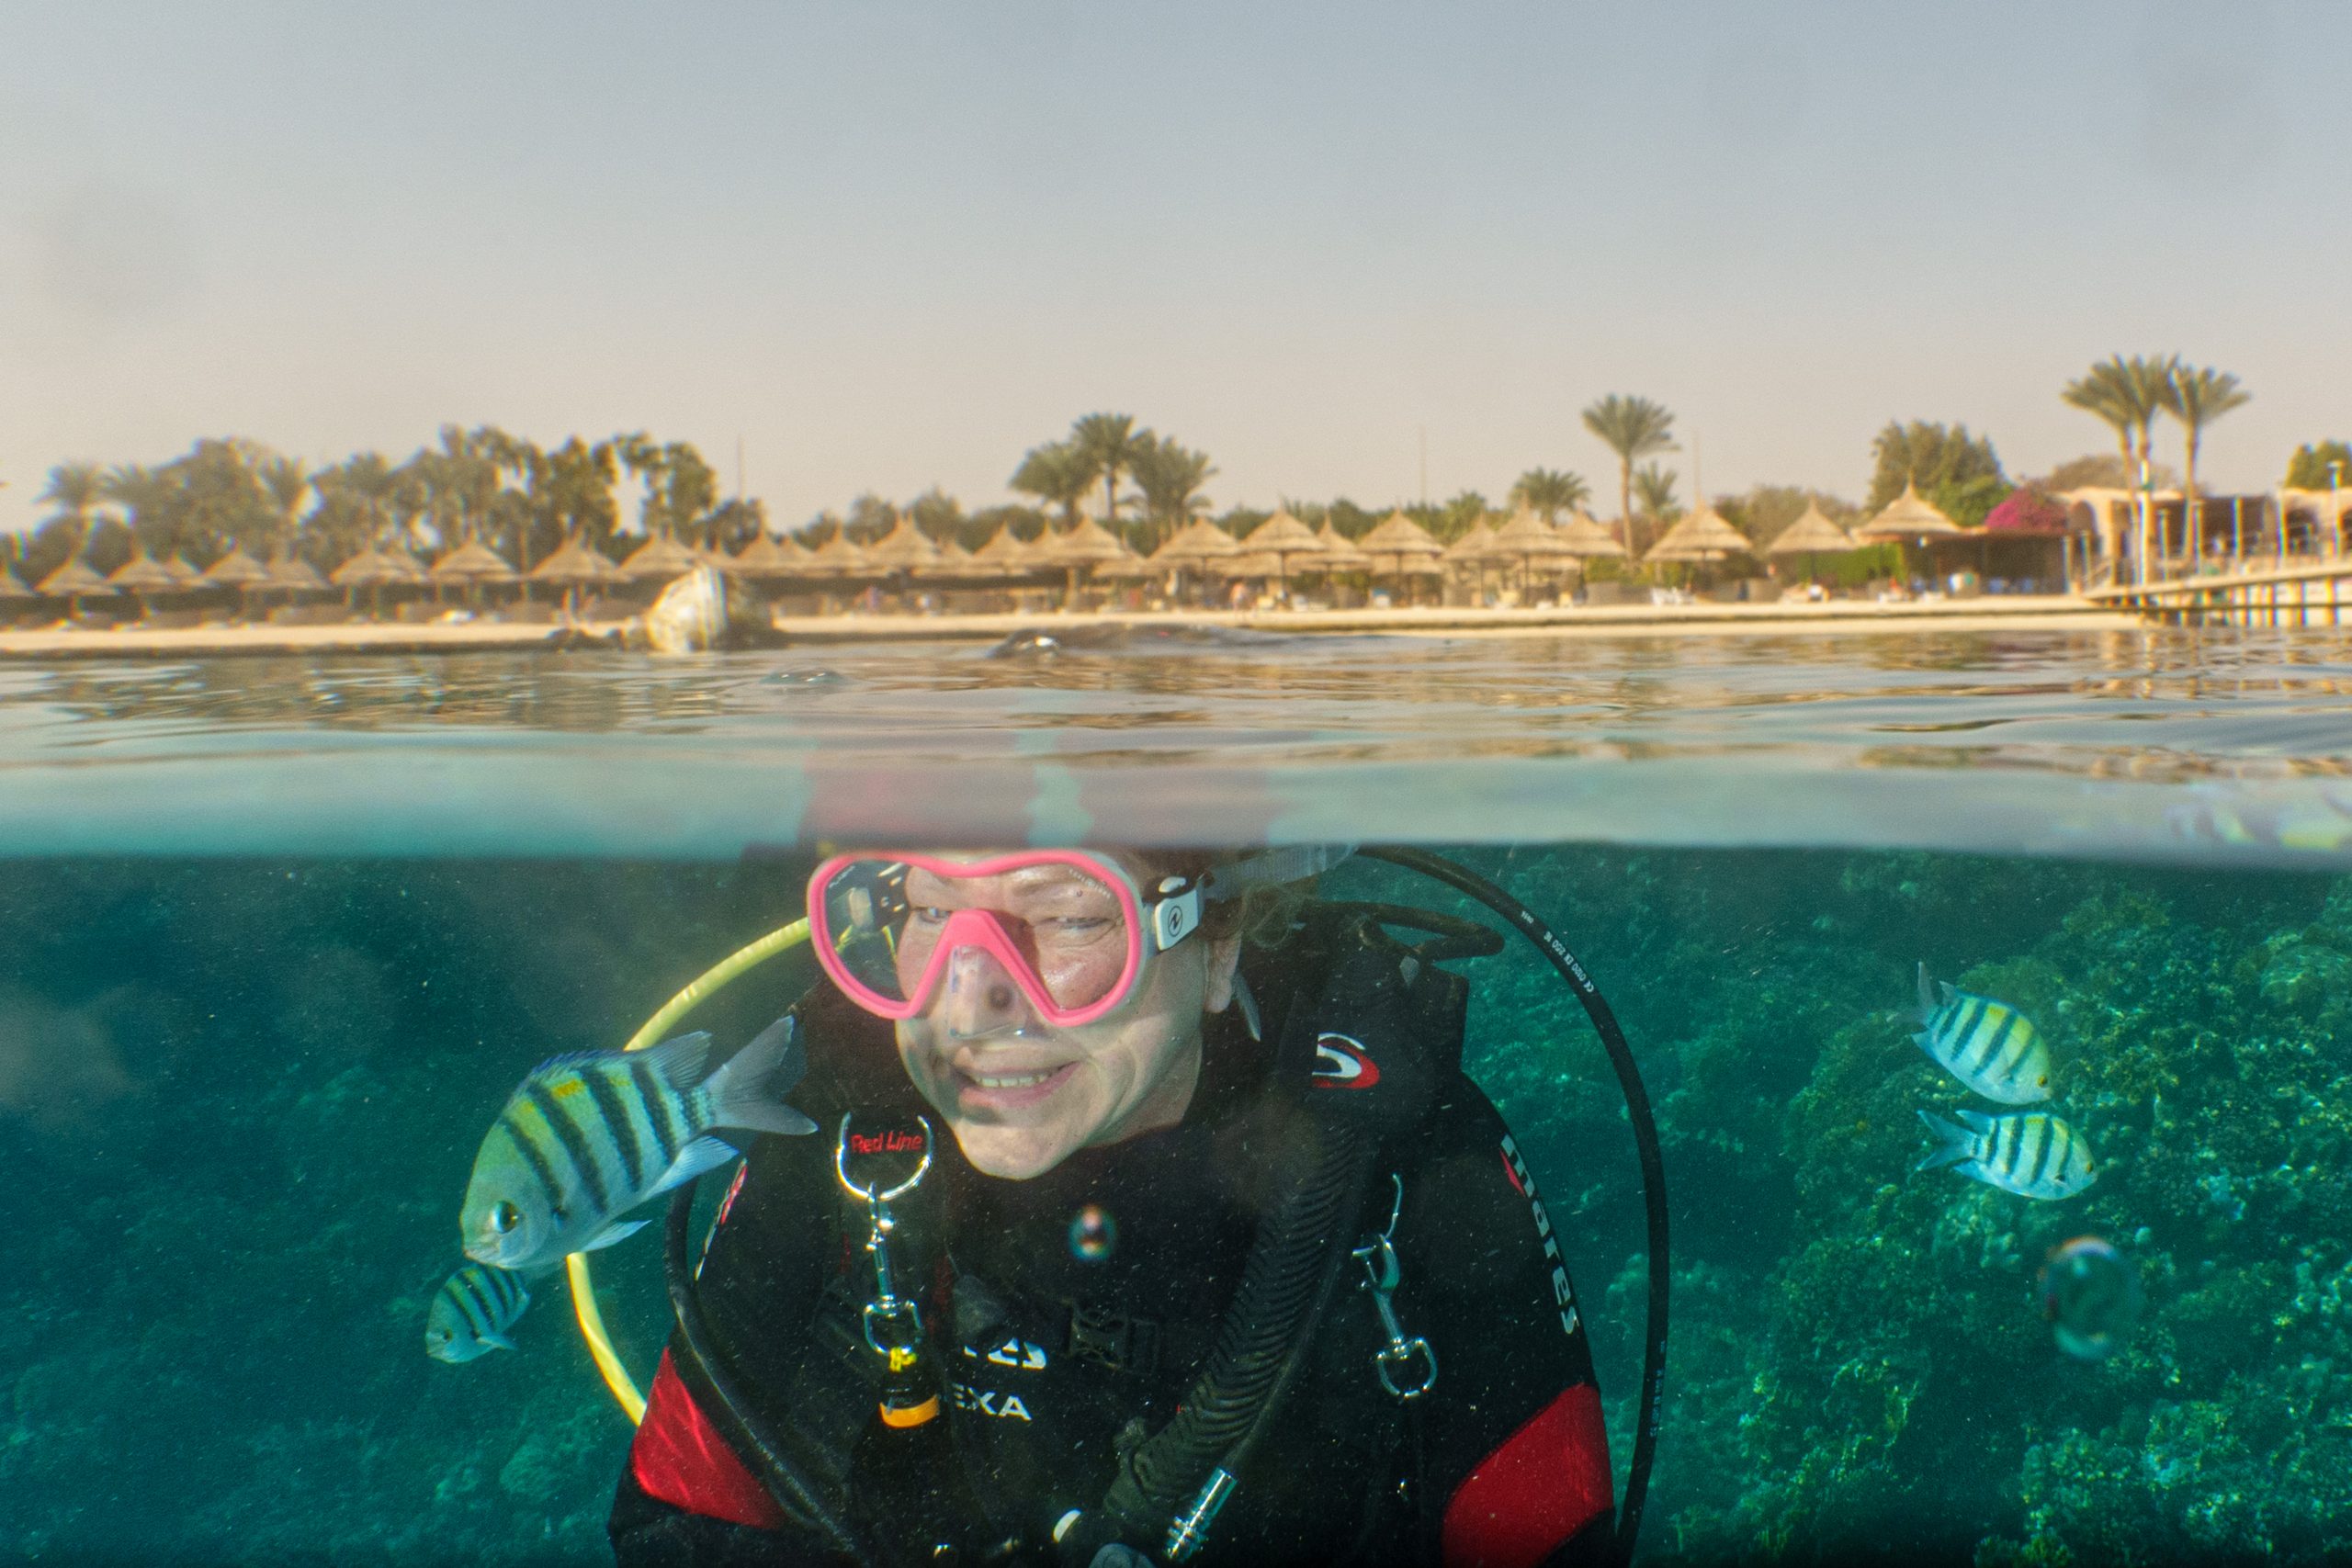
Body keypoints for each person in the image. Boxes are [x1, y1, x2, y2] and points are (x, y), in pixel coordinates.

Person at [610, 848, 1615, 1567]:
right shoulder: (839, 1131)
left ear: (1215, 943)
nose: (966, 1006)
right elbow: (676, 1524)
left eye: (1069, 916)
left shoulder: (1392, 1157)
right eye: (925, 912)